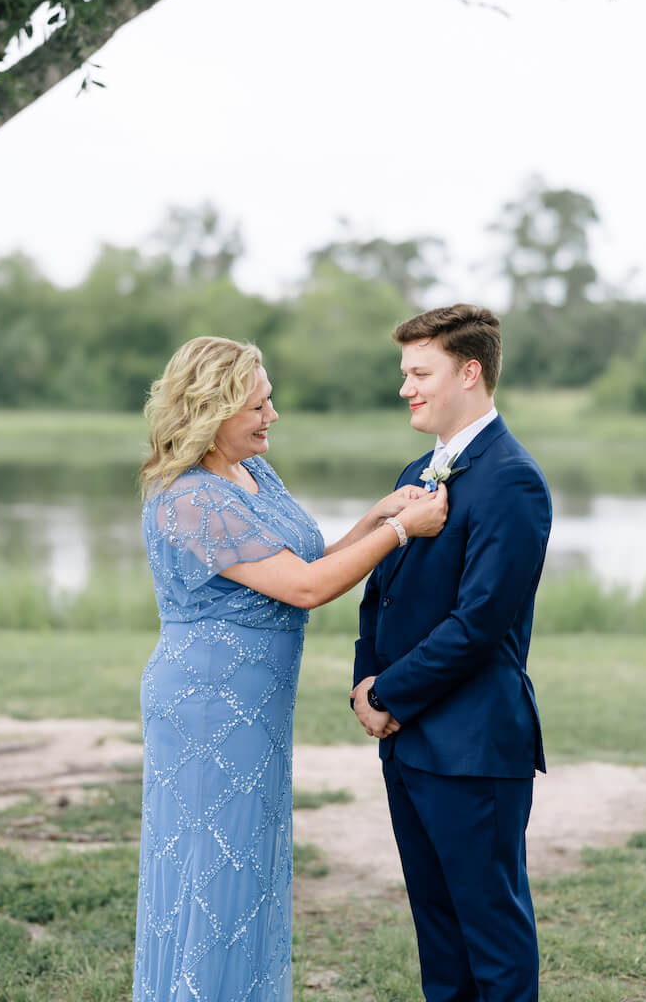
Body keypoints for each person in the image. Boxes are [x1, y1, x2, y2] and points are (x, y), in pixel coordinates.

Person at [133, 335, 447, 1002]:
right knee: (212, 872)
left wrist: (376, 515)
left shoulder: (252, 475)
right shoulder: (190, 498)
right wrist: (399, 533)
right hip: (208, 704)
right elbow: (305, 589)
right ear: (211, 412)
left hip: (256, 706)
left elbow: (306, 562)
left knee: (248, 868)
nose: (271, 415)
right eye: (258, 404)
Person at [351, 303, 552, 1002]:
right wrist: (364, 684)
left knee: (490, 935)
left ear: (468, 372)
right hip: (407, 744)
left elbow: (478, 624)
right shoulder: (419, 469)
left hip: (472, 746)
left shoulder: (512, 480)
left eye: (419, 372)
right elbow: (381, 595)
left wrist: (387, 695)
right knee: (438, 935)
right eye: (404, 372)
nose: (406, 386)